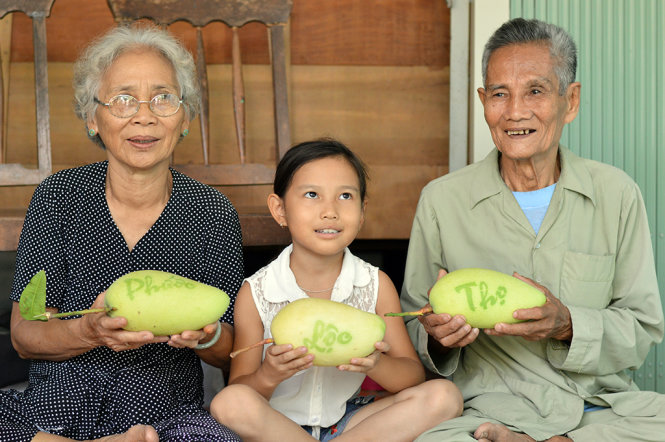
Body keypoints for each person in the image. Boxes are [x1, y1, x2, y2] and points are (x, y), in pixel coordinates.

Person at [400, 17, 665, 442]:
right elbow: (413, 324)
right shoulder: (441, 201)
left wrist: (567, 325)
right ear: (483, 101)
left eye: (536, 91)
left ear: (571, 101)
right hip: (484, 409)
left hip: (595, 409)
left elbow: (642, 327)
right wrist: (441, 339)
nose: (515, 111)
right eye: (500, 94)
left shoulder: (616, 194)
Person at [0, 25, 243, 441]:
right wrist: (89, 331)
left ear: (184, 118)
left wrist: (208, 336)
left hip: (163, 412)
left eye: (163, 98)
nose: (144, 115)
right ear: (93, 118)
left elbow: (231, 354)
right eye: (123, 99)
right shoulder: (59, 197)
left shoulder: (212, 212)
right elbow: (25, 335)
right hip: (58, 406)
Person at [209, 139, 463, 441]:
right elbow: (242, 387)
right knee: (228, 403)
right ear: (279, 210)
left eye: (345, 196)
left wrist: (377, 364)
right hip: (278, 427)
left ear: (363, 210)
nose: (330, 211)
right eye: (312, 194)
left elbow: (411, 376)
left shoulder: (374, 285)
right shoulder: (256, 292)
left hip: (351, 421)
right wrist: (269, 374)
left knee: (444, 396)